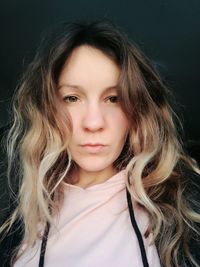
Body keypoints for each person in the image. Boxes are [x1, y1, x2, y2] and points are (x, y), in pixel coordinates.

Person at [0, 19, 200, 267]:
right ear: (48, 110)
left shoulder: (179, 214)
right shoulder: (17, 212)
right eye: (72, 98)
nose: (93, 123)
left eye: (114, 98)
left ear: (137, 111)